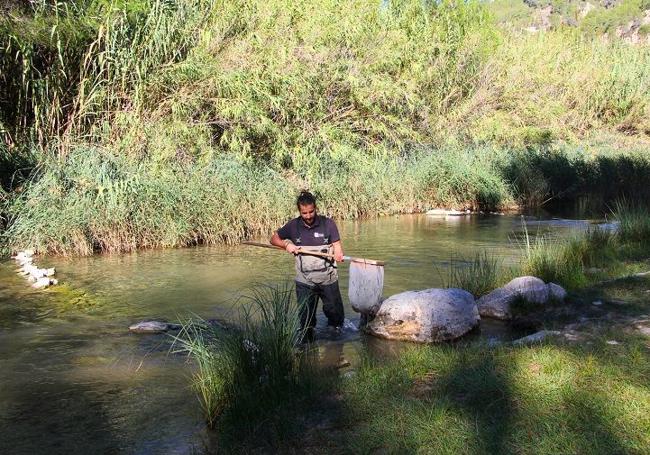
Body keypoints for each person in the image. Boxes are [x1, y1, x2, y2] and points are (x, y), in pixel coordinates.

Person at [270, 191, 345, 341]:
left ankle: (337, 347)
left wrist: (338, 253)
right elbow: (273, 239)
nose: (309, 216)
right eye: (304, 213)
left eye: (311, 211)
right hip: (304, 281)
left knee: (336, 318)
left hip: (328, 279)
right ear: (299, 211)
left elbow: (337, 245)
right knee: (306, 322)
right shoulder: (293, 226)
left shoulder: (328, 223)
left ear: (315, 208)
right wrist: (286, 245)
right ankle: (308, 350)